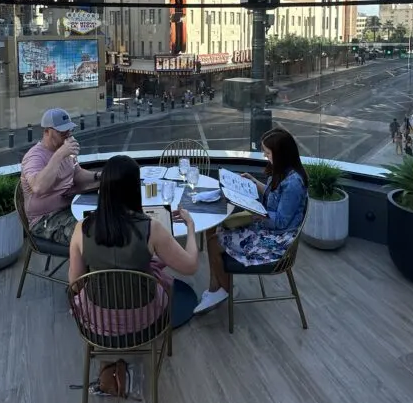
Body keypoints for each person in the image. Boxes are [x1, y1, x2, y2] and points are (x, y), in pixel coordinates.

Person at [68, 156, 198, 337]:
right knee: (162, 279)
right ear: (136, 188)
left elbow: (75, 284)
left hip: (97, 319)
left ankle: (108, 359)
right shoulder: (152, 228)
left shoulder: (81, 228)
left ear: (103, 188)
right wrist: (191, 227)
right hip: (144, 319)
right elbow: (190, 266)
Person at [195, 128, 308, 314]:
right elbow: (274, 197)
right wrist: (254, 182)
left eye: (268, 153)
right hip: (267, 226)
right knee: (212, 229)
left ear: (281, 154)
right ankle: (216, 287)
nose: (265, 155)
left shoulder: (293, 183)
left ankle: (226, 291)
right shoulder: (283, 171)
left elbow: (281, 222)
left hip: (276, 239)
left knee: (213, 243)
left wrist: (256, 213)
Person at [20, 108, 101, 245]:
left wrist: (99, 176)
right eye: (61, 131)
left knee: (110, 219)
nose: (67, 134)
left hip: (71, 206)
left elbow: (77, 173)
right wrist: (59, 155)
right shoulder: (34, 156)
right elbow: (38, 187)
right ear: (46, 131)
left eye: (69, 130)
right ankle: (84, 266)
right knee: (90, 236)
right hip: (45, 218)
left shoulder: (64, 150)